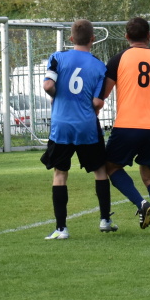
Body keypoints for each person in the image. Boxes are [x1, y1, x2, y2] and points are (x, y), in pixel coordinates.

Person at [100, 17, 150, 235]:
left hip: (128, 124)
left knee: (111, 167)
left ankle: (141, 203)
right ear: (149, 35)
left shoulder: (118, 59)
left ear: (126, 37)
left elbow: (104, 93)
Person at [40, 19, 112, 240]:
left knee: (60, 174)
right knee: (100, 170)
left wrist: (57, 97)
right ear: (93, 39)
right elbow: (98, 102)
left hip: (61, 125)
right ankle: (105, 220)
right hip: (86, 125)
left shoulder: (57, 57)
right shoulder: (99, 66)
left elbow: (48, 85)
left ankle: (61, 229)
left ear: (71, 39)